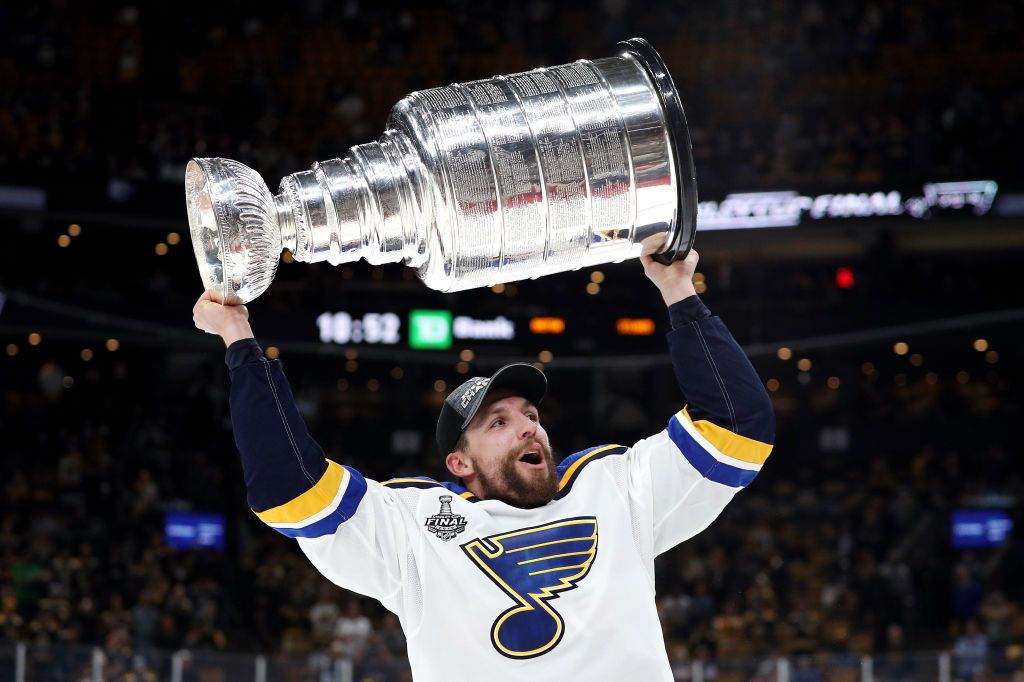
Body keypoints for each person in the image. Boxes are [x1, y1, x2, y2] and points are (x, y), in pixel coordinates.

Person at [192, 251, 775, 681]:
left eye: (529, 414)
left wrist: (677, 287)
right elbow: (289, 486)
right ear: (459, 463)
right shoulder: (416, 524)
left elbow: (737, 428)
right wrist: (238, 338)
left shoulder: (614, 485)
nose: (528, 426)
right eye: (498, 423)